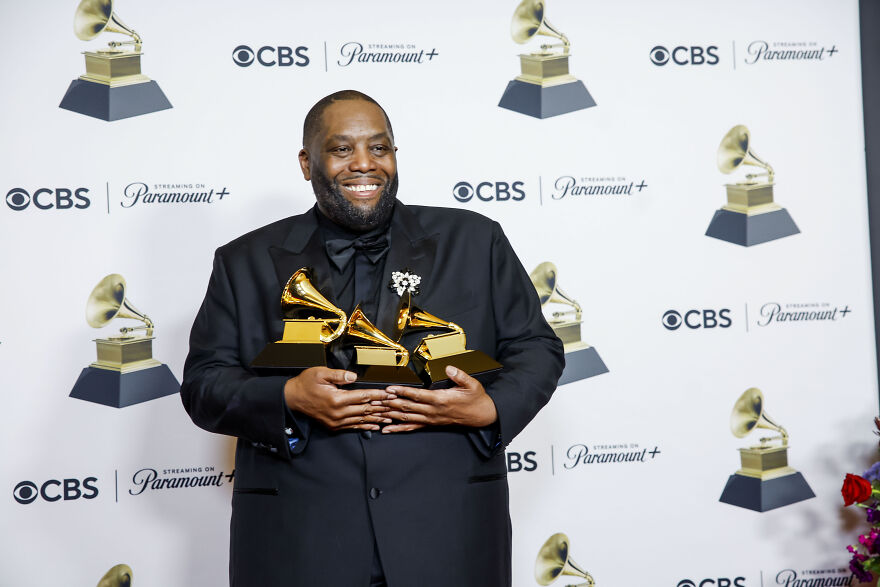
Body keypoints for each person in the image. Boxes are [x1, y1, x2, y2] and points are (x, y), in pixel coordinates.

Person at [181, 90, 564, 587]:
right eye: (342, 150)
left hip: (450, 534)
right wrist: (287, 397)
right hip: (297, 542)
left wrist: (490, 407)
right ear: (307, 162)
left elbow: (537, 347)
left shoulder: (475, 239)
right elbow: (203, 385)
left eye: (379, 149)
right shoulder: (243, 261)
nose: (364, 164)